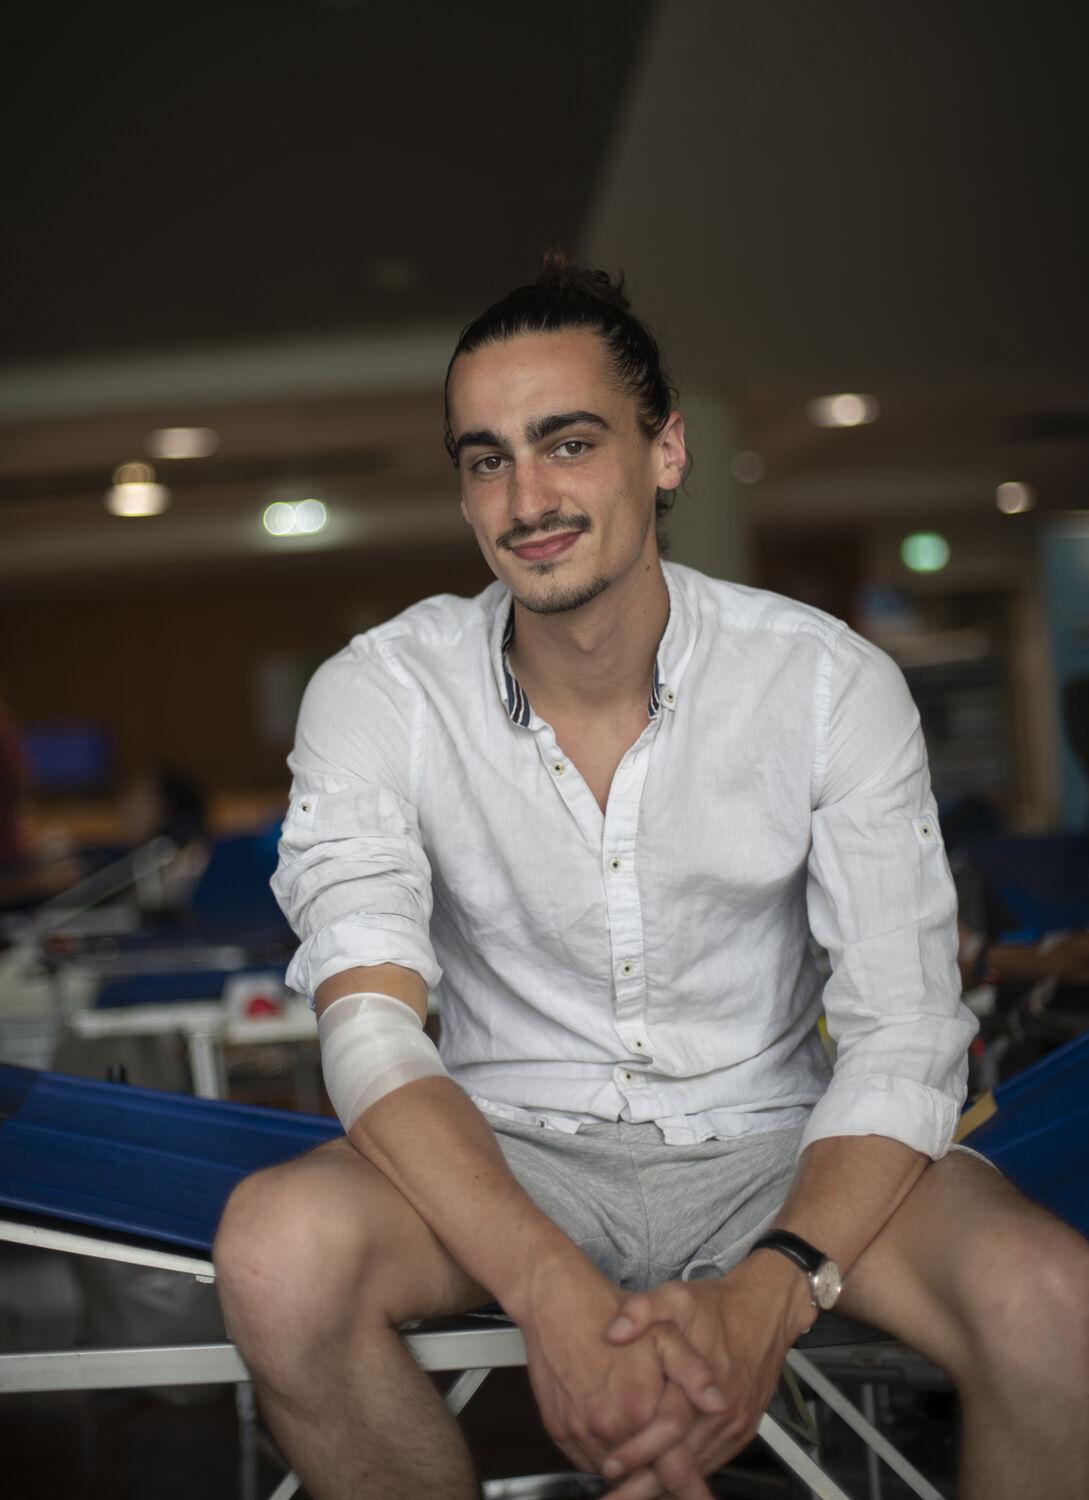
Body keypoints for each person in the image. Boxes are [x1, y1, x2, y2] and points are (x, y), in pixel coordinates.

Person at [214, 257, 1089, 1500]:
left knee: (1053, 1302)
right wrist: (546, 1286)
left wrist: (771, 1292)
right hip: (508, 1144)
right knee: (274, 1253)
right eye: (487, 459)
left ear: (666, 451)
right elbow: (370, 1030)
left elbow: (904, 1034)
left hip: (778, 1145)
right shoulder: (381, 693)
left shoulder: (826, 684)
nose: (527, 498)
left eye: (569, 444)